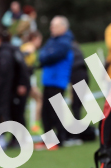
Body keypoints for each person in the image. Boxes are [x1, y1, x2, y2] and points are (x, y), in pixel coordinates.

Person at [38, 16, 74, 149]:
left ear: (63, 27)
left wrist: (46, 55)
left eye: (54, 25)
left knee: (55, 111)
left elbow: (51, 56)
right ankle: (48, 139)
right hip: (48, 79)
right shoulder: (52, 40)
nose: (51, 28)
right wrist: (45, 55)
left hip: (58, 80)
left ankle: (59, 139)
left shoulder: (65, 41)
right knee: (45, 112)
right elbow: (42, 55)